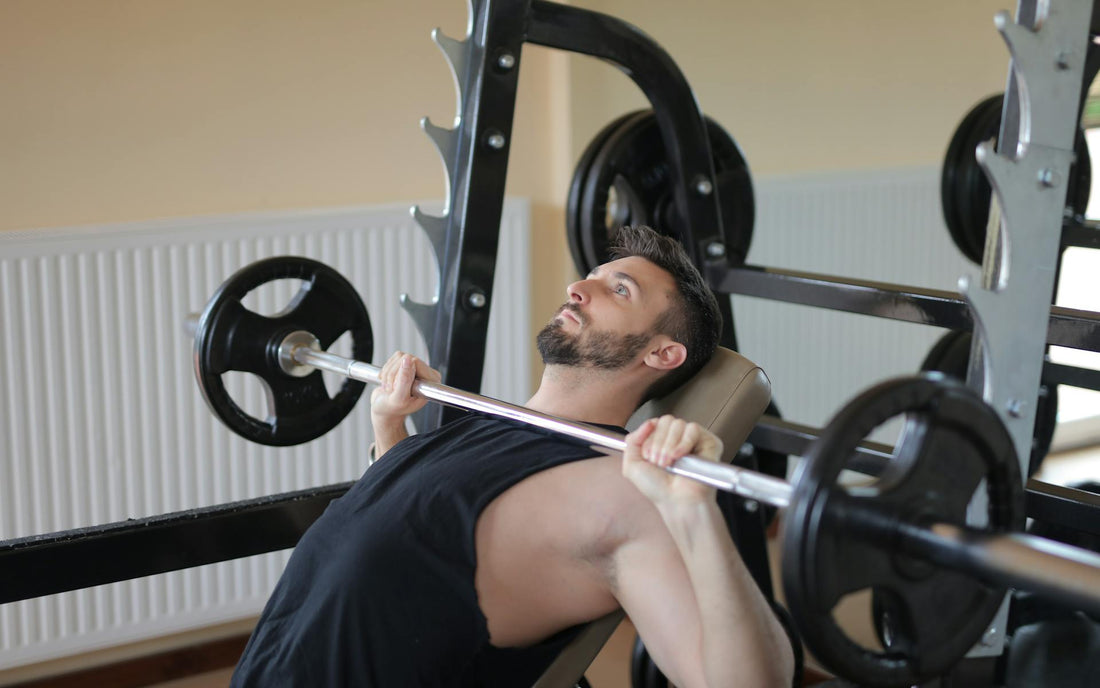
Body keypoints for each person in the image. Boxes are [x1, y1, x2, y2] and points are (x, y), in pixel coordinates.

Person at [230, 225, 797, 687]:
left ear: (663, 352)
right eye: (592, 277)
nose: (579, 288)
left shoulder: (618, 492)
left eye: (619, 290)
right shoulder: (483, 427)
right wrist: (390, 424)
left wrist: (695, 512)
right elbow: (410, 540)